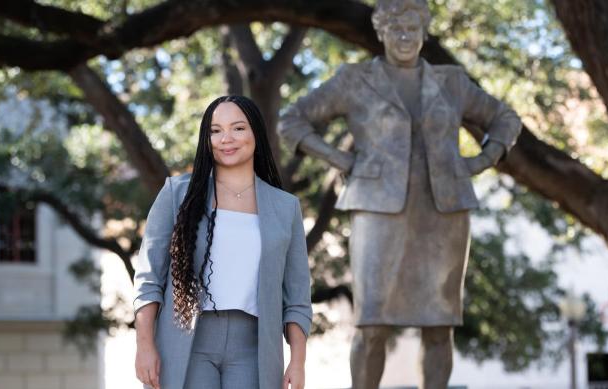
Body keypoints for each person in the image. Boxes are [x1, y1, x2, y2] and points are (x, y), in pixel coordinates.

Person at [277, 0, 522, 387]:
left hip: (444, 213)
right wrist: (339, 158)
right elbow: (291, 120)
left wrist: (483, 159)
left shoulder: (452, 81)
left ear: (425, 33)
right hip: (377, 210)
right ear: (381, 33)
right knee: (372, 324)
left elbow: (505, 118)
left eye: (412, 29)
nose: (405, 37)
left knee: (440, 326)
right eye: (396, 29)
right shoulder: (355, 80)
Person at [133, 95, 312, 389]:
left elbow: (297, 297)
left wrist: (298, 360)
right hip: (186, 341)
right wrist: (144, 345)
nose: (226, 139)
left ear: (256, 133)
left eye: (238, 128)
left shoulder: (285, 207)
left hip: (253, 348)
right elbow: (149, 278)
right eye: (215, 130)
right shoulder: (177, 194)